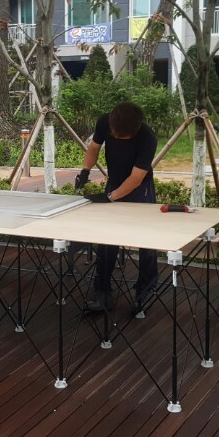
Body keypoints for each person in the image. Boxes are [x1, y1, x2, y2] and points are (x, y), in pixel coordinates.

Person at [75, 101, 158, 314]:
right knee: (107, 238)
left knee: (146, 239)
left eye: (123, 137)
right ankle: (102, 290)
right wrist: (85, 170)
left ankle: (145, 289)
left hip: (141, 188)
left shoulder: (147, 138)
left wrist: (110, 197)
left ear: (137, 129)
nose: (117, 139)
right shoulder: (105, 121)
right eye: (114, 135)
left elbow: (136, 178)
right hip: (114, 182)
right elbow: (94, 148)